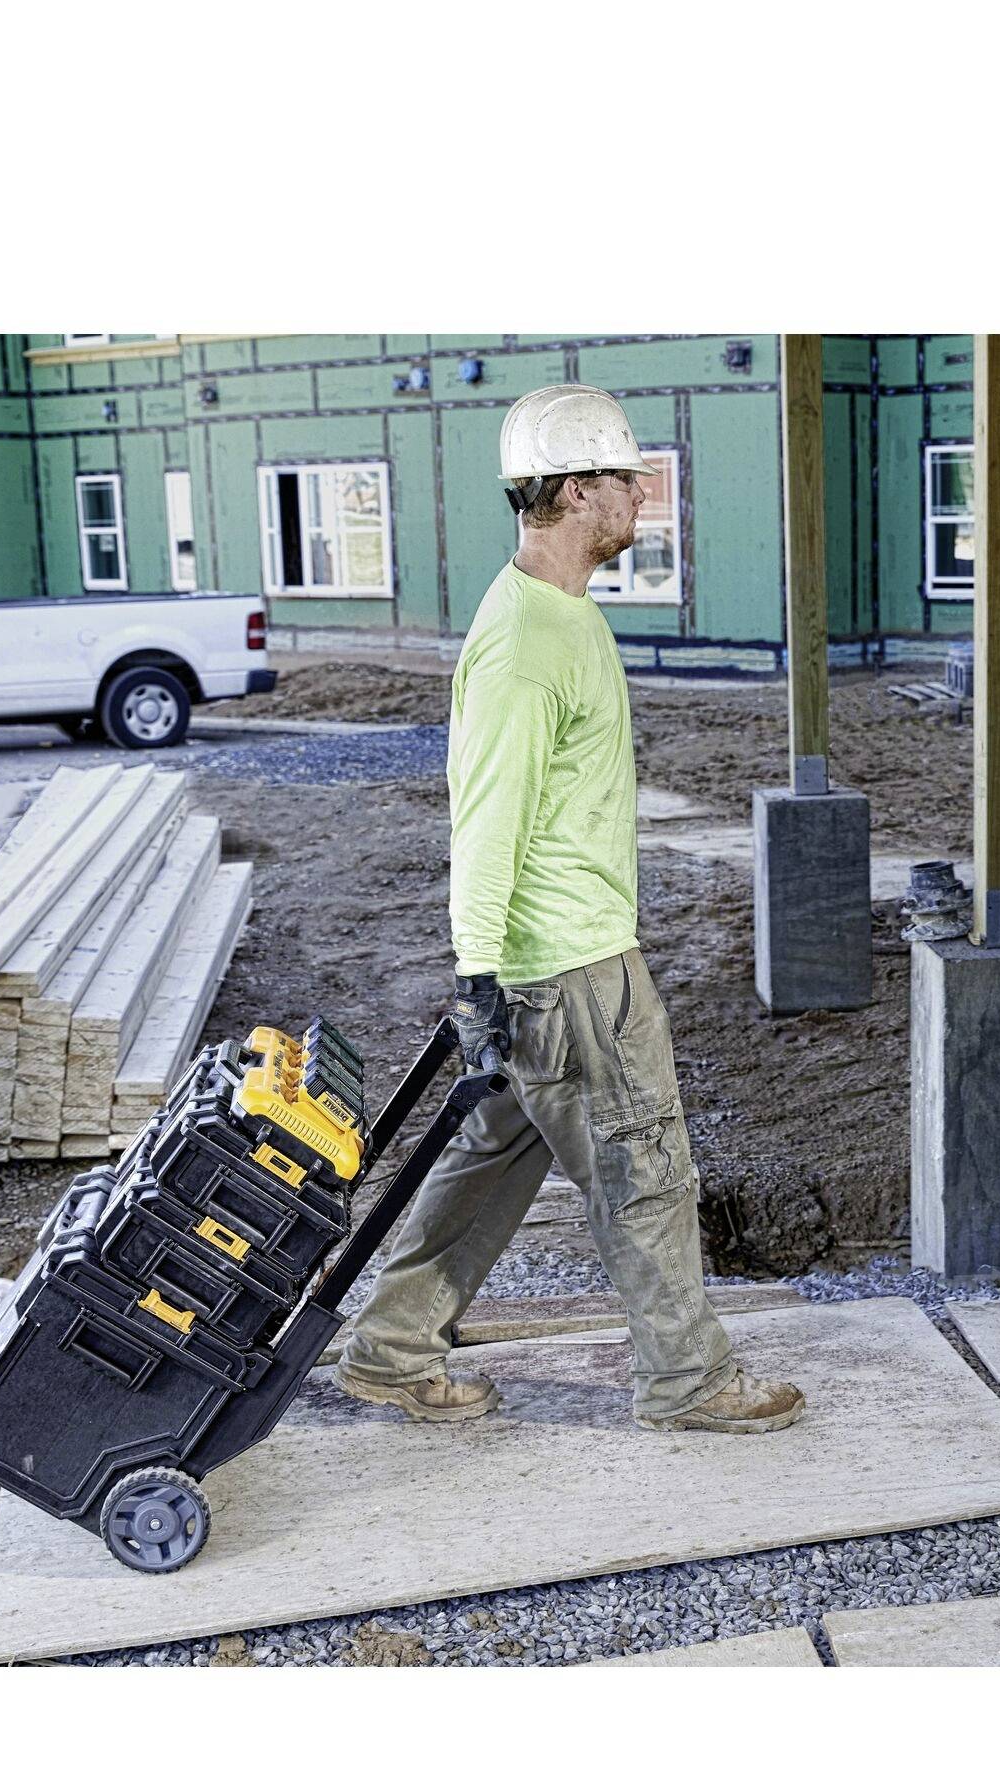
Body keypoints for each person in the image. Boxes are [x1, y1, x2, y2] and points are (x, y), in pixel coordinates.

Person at [335, 384, 806, 1435]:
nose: (644, 492)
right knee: (646, 1170)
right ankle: (688, 1380)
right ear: (577, 488)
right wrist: (475, 974)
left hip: (547, 963)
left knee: (490, 1160)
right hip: (572, 967)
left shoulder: (558, 613)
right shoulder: (524, 646)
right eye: (628, 477)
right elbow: (486, 818)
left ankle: (391, 1348)